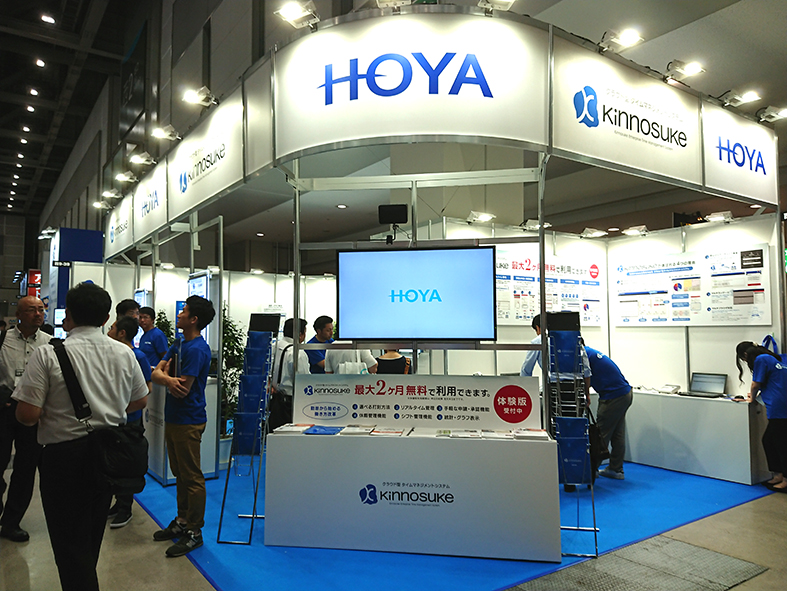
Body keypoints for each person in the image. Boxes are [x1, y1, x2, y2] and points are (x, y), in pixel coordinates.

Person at [12, 283, 148, 591]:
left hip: (63, 458)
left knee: (68, 545)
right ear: (106, 318)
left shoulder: (48, 353)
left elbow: (27, 415)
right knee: (90, 536)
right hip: (108, 453)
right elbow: (140, 399)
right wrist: (109, 408)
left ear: (69, 315)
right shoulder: (124, 353)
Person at [151, 295, 215, 557]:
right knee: (180, 473)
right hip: (175, 417)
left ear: (194, 319)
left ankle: (194, 531)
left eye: (184, 311)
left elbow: (182, 389)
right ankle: (182, 521)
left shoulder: (197, 349)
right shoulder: (179, 343)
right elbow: (156, 372)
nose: (179, 314)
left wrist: (164, 377)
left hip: (189, 419)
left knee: (191, 476)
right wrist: (167, 378)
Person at [0, 296, 51, 542]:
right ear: (18, 315)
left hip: (33, 412)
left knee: (25, 468)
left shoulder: (50, 343)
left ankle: (11, 522)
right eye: (32, 310)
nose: (38, 314)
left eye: (41, 309)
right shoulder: (3, 340)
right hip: (4, 409)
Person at [106, 316, 152, 528]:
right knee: (113, 463)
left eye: (113, 328)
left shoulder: (138, 357)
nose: (109, 331)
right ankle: (118, 503)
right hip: (112, 419)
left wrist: (124, 409)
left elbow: (146, 388)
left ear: (122, 333)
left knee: (127, 465)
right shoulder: (112, 354)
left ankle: (125, 508)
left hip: (130, 420)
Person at [735, 341, 787, 492]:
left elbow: (755, 384)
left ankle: (785, 479)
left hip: (778, 407)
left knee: (780, 444)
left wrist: (751, 398)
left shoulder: (760, 359)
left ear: (745, 354)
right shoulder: (773, 359)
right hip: (781, 403)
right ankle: (778, 475)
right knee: (770, 440)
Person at [585, 346, 633, 480]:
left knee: (600, 435)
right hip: (625, 393)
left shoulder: (582, 356)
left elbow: (586, 378)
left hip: (612, 397)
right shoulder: (590, 353)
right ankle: (616, 469)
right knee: (617, 433)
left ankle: (591, 470)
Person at [269, 318, 310, 429]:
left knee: (276, 433)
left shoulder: (273, 347)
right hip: (291, 403)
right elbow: (304, 381)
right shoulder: (297, 352)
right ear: (300, 334)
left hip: (275, 400)